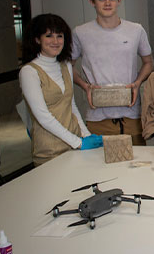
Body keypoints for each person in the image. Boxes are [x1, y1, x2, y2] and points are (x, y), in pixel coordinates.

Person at [72, 0, 154, 145]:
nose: (107, 3)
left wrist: (138, 82)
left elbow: (148, 63)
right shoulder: (80, 32)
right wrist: (85, 86)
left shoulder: (135, 30)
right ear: (92, 1)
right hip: (98, 117)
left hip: (132, 114)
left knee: (137, 166)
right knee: (101, 168)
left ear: (119, 0)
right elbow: (67, 67)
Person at [20, 14, 103, 166]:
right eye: (49, 36)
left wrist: (86, 135)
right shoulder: (29, 72)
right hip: (49, 149)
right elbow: (42, 116)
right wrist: (78, 142)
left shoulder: (65, 65)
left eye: (60, 36)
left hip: (74, 142)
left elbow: (71, 106)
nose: (56, 41)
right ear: (37, 39)